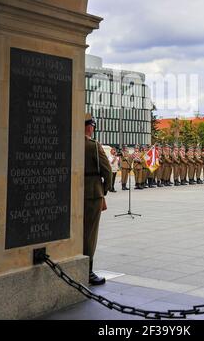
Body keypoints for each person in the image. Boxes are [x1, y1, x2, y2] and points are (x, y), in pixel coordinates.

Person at [84, 113, 112, 285]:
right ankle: (87, 271)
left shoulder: (70, 143)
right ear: (89, 127)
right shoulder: (93, 146)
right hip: (91, 194)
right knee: (89, 234)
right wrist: (104, 190)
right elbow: (107, 171)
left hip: (72, 194)